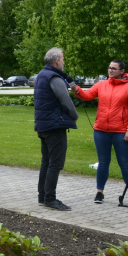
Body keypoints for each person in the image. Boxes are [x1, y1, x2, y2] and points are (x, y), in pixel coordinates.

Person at [72, 60, 128, 206]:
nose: (110, 70)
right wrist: (77, 90)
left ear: (122, 71)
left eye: (114, 68)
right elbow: (87, 95)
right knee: (103, 163)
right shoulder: (102, 84)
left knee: (125, 164)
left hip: (121, 132)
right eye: (109, 67)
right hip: (101, 130)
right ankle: (99, 192)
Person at [34, 48, 79, 211]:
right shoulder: (54, 77)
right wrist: (74, 116)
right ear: (56, 61)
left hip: (43, 125)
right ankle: (50, 198)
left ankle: (42, 196)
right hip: (54, 126)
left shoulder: (41, 74)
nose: (64, 62)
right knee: (55, 163)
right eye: (63, 59)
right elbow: (65, 100)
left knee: (46, 161)